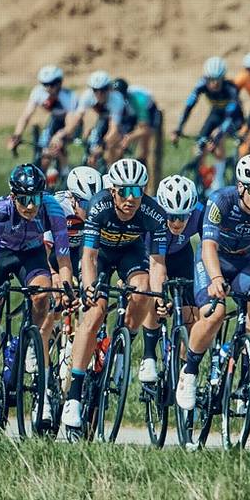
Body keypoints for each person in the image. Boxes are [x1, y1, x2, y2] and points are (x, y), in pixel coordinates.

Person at [175, 155, 250, 411]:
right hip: (213, 258)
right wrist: (217, 278)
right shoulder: (220, 200)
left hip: (245, 260)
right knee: (214, 313)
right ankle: (189, 372)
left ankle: (245, 379)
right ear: (241, 186)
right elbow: (207, 244)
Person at [61, 158, 167, 431]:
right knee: (95, 312)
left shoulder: (153, 213)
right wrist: (89, 288)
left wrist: (159, 297)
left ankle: (123, 348)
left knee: (144, 289)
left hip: (130, 254)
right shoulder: (99, 206)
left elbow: (157, 263)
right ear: (112, 191)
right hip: (102, 257)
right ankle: (74, 395)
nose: (131, 199)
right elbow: (89, 256)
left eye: (137, 191)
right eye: (124, 191)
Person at [0, 164, 74, 432]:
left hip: (31, 255)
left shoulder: (53, 210)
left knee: (42, 296)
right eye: (24, 199)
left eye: (35, 199)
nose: (30, 206)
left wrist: (66, 285)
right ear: (13, 196)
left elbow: (63, 259)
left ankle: (33, 347)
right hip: (1, 257)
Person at [142, 175, 204, 376]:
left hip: (181, 255)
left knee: (192, 313)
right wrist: (161, 296)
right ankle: (149, 354)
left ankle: (182, 371)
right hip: (150, 255)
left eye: (183, 217)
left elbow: (210, 248)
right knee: (154, 297)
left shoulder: (200, 214)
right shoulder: (153, 216)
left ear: (191, 212)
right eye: (171, 216)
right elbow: (157, 264)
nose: (177, 222)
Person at [172, 57, 244, 188]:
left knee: (218, 139)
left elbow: (230, 116)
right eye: (210, 80)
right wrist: (179, 128)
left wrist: (218, 135)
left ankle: (219, 181)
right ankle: (202, 178)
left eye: (218, 80)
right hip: (216, 114)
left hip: (233, 118)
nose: (214, 84)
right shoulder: (201, 85)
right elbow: (189, 107)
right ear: (206, 78)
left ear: (223, 78)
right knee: (200, 144)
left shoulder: (231, 89)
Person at [8, 65, 79, 182]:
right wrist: (17, 135)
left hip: (71, 123)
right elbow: (26, 115)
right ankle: (43, 180)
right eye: (44, 84)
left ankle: (66, 175)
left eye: (51, 84)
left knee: (59, 145)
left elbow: (71, 125)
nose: (48, 88)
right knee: (45, 152)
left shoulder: (68, 97)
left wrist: (59, 136)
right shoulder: (38, 92)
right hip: (55, 120)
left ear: (59, 83)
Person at [51, 166, 105, 281]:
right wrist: (53, 275)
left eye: (95, 204)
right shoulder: (57, 207)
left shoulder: (103, 208)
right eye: (86, 205)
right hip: (52, 251)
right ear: (72, 199)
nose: (91, 210)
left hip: (79, 251)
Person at [68, 70, 127, 166]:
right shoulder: (87, 96)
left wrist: (102, 145)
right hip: (103, 118)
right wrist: (67, 133)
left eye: (103, 90)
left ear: (109, 88)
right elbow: (77, 117)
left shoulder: (116, 99)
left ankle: (111, 170)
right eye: (95, 90)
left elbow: (114, 128)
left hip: (121, 120)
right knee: (92, 144)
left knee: (111, 148)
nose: (99, 94)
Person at [113, 78, 162, 173]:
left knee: (143, 148)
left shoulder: (137, 100)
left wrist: (129, 138)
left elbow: (145, 129)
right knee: (119, 142)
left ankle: (142, 174)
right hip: (132, 112)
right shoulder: (118, 100)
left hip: (149, 111)